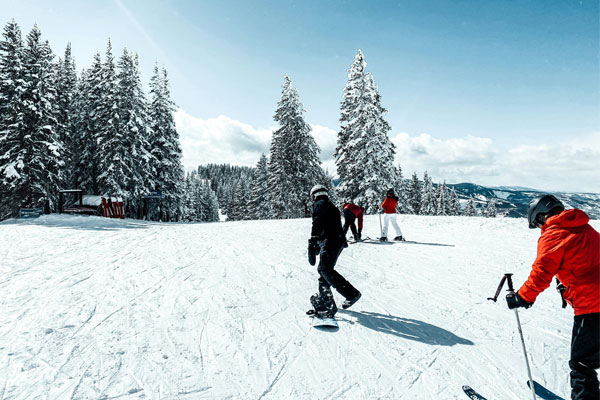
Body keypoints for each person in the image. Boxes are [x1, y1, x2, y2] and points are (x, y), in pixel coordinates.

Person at [506, 194, 599, 400]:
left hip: (592, 306)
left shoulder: (554, 233)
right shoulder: (586, 229)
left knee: (582, 364)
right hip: (594, 301)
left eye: (538, 223)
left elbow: (541, 273)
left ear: (541, 216)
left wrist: (522, 297)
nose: (540, 228)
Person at [307, 184, 361, 318]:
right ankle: (326, 300)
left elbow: (317, 222)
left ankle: (351, 293)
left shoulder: (319, 204)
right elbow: (327, 225)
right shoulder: (328, 205)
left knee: (325, 269)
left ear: (315, 195)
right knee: (324, 270)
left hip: (332, 241)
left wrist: (313, 239)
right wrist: (318, 242)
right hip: (335, 241)